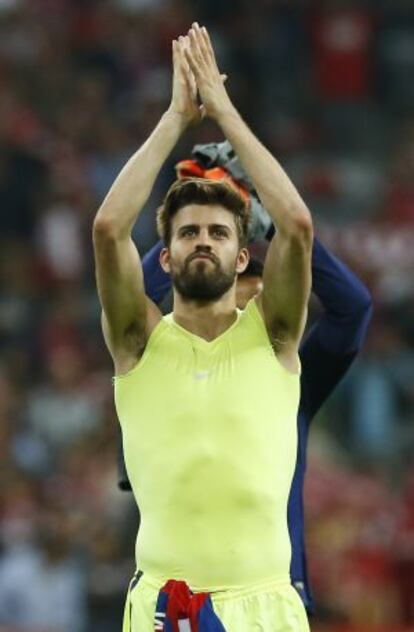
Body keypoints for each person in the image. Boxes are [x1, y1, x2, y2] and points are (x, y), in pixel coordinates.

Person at [93, 23, 314, 631]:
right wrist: (176, 118)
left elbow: (296, 224)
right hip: (166, 607)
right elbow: (109, 230)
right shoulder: (137, 343)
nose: (203, 242)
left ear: (244, 257)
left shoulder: (275, 336)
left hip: (265, 605)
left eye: (219, 234)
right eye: (188, 232)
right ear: (164, 257)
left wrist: (223, 111)